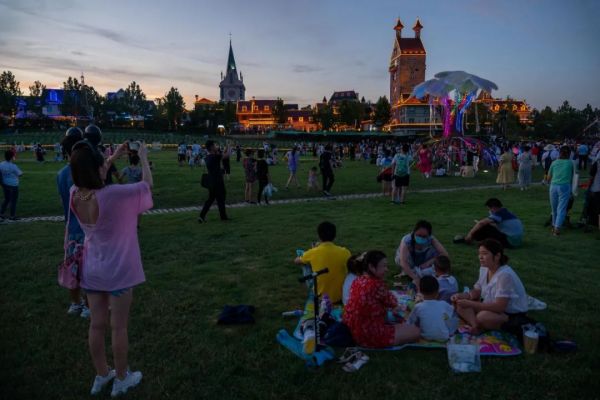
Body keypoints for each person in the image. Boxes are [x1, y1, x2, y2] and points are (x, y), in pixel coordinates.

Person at [69, 139, 153, 396]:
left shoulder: (76, 193)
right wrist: (145, 157)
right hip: (119, 271)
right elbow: (147, 186)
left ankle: (101, 374)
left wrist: (113, 156)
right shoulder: (115, 195)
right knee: (119, 327)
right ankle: (121, 377)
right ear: (98, 170)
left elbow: (94, 172)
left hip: (93, 270)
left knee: (96, 325)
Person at [343, 250, 420, 348]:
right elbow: (394, 303)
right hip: (369, 335)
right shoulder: (377, 285)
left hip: (352, 330)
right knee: (416, 331)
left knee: (397, 321)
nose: (387, 269)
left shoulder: (358, 280)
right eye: (383, 266)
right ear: (371, 267)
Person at [452, 239, 528, 335]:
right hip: (490, 306)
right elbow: (478, 290)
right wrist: (464, 296)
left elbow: (500, 307)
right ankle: (475, 326)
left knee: (482, 317)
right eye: (479, 253)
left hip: (510, 314)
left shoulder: (505, 275)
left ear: (497, 256)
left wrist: (471, 304)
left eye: (484, 253)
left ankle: (479, 323)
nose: (480, 257)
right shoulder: (484, 268)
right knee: (459, 304)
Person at [57, 127, 89, 318]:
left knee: (71, 266)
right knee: (88, 267)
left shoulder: (61, 174)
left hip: (70, 227)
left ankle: (75, 303)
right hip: (86, 228)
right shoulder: (84, 172)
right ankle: (87, 304)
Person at [294, 221, 351, 303]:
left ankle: (313, 290)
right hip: (340, 295)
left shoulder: (313, 252)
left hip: (321, 297)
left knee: (305, 264)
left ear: (319, 236)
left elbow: (296, 261)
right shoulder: (345, 252)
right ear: (334, 236)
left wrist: (314, 249)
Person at [394, 220, 449, 285]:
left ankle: (414, 271)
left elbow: (445, 254)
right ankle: (411, 272)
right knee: (402, 260)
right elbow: (403, 262)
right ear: (414, 232)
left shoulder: (431, 239)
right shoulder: (407, 240)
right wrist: (416, 278)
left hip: (423, 260)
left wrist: (429, 262)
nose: (421, 238)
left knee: (437, 255)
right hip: (410, 260)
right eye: (418, 235)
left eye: (424, 236)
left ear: (429, 235)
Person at [455, 198, 523, 248]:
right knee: (485, 226)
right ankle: (473, 240)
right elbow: (497, 227)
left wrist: (470, 233)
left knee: (483, 226)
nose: (489, 211)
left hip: (510, 242)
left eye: (489, 209)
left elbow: (482, 223)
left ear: (493, 208)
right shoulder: (505, 212)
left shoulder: (499, 213)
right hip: (516, 242)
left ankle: (468, 239)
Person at [407, 276, 458, 341]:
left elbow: (410, 322)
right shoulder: (443, 304)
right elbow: (453, 311)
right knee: (451, 318)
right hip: (444, 337)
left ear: (420, 292)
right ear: (438, 291)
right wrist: (454, 302)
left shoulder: (418, 306)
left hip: (425, 336)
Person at [199, 140, 230, 222]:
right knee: (221, 198)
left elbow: (221, 154)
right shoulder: (215, 157)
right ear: (212, 147)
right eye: (215, 145)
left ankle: (201, 216)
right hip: (218, 181)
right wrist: (230, 146)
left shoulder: (208, 157)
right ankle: (223, 217)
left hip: (211, 182)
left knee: (210, 199)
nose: (216, 146)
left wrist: (226, 147)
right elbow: (226, 156)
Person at [548, 145, 574, 236]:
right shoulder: (571, 163)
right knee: (561, 208)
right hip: (565, 186)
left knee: (554, 208)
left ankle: (554, 225)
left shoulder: (554, 163)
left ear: (560, 153)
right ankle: (557, 228)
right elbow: (575, 175)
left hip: (553, 186)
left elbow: (548, 177)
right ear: (569, 154)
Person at [0, 150, 23, 220]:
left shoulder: (1, 164)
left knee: (6, 199)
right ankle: (12, 216)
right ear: (12, 157)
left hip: (5, 184)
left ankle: (1, 214)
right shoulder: (13, 166)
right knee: (13, 201)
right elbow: (20, 174)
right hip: (13, 185)